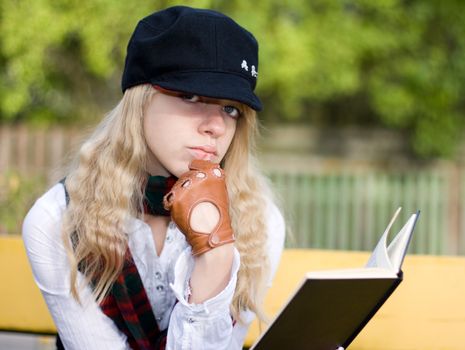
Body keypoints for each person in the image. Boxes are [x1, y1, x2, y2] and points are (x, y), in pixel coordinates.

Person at [22, 5, 285, 350]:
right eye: (191, 96)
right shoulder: (58, 220)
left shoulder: (259, 220)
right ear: (140, 99)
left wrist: (216, 258)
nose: (217, 126)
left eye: (231, 108)